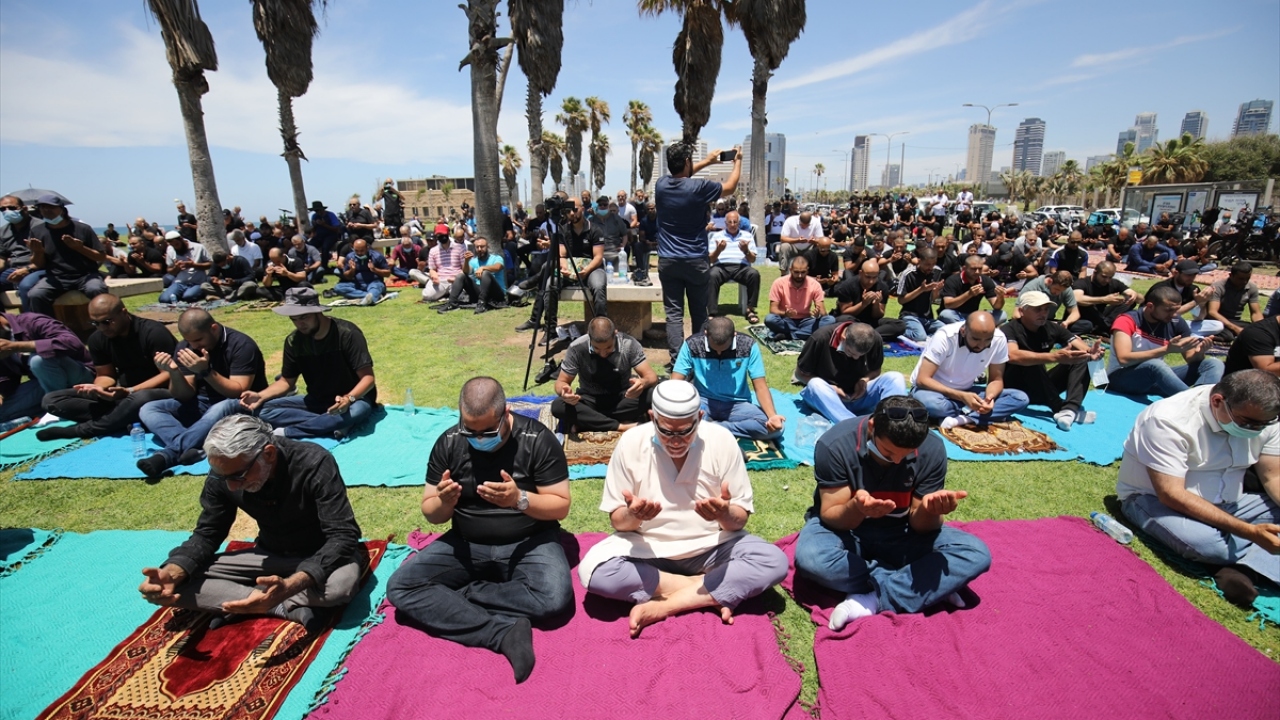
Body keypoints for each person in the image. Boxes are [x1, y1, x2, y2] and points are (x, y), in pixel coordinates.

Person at [386, 377, 573, 684]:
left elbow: (560, 506)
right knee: (401, 587)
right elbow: (431, 513)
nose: (477, 438)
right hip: (466, 543)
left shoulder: (537, 439)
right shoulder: (449, 442)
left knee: (553, 598)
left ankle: (461, 594)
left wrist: (519, 499)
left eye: (486, 431)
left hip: (530, 541)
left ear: (506, 413)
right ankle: (502, 632)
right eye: (469, 431)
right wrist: (444, 502)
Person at [578, 379, 787, 637]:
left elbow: (738, 521)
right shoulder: (631, 442)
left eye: (686, 431)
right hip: (648, 547)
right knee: (594, 572)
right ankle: (707, 589)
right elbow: (619, 523)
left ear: (700, 418)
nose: (676, 441)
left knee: (773, 561)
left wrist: (724, 514)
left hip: (712, 546)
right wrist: (633, 515)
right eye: (667, 431)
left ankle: (667, 604)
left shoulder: (721, 440)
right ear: (652, 418)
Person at [137, 415, 367, 632]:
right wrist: (173, 572)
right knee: (179, 579)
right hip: (269, 553)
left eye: (239, 476)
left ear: (268, 454)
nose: (232, 486)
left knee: (339, 589)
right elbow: (208, 533)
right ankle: (277, 606)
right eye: (225, 478)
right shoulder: (225, 471)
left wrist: (293, 584)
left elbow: (342, 535)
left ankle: (248, 599)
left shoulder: (313, 461)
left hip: (321, 553)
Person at [793, 395, 991, 630]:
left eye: (905, 455)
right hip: (845, 532)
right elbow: (830, 515)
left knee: (975, 554)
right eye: (888, 453)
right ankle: (925, 584)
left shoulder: (932, 448)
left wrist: (930, 511)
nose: (897, 461)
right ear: (872, 427)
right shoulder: (835, 444)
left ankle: (874, 598)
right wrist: (856, 508)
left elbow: (921, 526)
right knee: (812, 560)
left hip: (902, 532)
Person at [1116, 370, 1280, 607]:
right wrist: (1248, 531)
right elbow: (1172, 494)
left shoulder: (1263, 417)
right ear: (1217, 401)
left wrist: (1246, 530)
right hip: (1155, 501)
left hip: (1230, 501)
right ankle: (1248, 559)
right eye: (1247, 423)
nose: (1256, 429)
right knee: (1209, 546)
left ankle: (1243, 569)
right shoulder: (1168, 419)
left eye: (1264, 424)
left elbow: (1273, 475)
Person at [136, 309, 267, 481]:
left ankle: (169, 455)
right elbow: (184, 395)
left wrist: (205, 371)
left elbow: (238, 391)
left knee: (223, 406)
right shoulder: (186, 347)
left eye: (198, 340)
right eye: (189, 341)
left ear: (213, 328)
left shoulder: (241, 345)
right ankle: (193, 447)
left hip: (239, 405)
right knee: (149, 408)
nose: (194, 346)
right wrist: (174, 373)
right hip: (202, 404)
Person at [237, 288, 375, 440]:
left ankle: (290, 432)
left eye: (303, 317)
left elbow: (368, 378)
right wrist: (260, 396)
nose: (299, 324)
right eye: (294, 319)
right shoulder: (294, 341)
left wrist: (348, 399)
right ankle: (333, 423)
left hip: (354, 399)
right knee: (263, 410)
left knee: (358, 411)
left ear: (318, 311)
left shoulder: (347, 333)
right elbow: (286, 382)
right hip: (316, 401)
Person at [38, 295, 177, 440]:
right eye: (95, 323)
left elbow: (169, 373)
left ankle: (82, 430)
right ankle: (123, 419)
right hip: (123, 398)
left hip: (157, 394)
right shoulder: (97, 339)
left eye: (106, 322)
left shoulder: (153, 332)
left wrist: (131, 391)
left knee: (141, 397)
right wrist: (98, 389)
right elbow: (105, 375)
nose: (102, 328)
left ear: (124, 313)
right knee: (51, 399)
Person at [655, 143, 741, 368]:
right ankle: (698, 357)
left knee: (674, 314)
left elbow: (682, 174)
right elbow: (730, 187)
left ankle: (677, 361)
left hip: (668, 260)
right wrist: (738, 161)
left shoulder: (661, 185)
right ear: (687, 162)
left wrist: (708, 161)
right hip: (695, 260)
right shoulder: (699, 187)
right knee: (699, 313)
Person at [1001, 291, 1105, 431]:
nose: (1043, 313)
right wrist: (1054, 357)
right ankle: (1059, 407)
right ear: (1021, 311)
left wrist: (1091, 352)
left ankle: (1069, 410)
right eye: (1037, 309)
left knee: (1082, 358)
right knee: (1032, 360)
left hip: (1040, 386)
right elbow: (1013, 355)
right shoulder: (1009, 329)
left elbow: (1078, 345)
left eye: (1046, 309)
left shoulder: (1051, 327)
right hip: (1012, 389)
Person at [671, 316, 784, 440]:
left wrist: (772, 416)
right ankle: (711, 427)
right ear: (706, 334)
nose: (719, 353)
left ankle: (712, 427)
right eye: (714, 349)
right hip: (703, 402)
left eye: (724, 349)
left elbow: (760, 387)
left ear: (734, 336)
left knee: (776, 429)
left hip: (737, 404)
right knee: (679, 421)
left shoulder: (749, 345)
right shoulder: (692, 344)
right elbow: (674, 383)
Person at [910, 311, 1029, 428]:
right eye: (976, 339)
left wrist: (989, 399)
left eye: (988, 340)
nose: (981, 345)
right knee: (932, 405)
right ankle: (980, 415)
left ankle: (964, 419)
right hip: (933, 391)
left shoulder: (999, 338)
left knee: (1020, 398)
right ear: (963, 331)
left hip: (967, 392)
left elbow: (996, 380)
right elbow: (922, 379)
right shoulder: (945, 336)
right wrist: (962, 397)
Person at [1105, 284, 1225, 398]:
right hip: (1120, 378)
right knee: (1155, 365)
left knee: (1213, 364)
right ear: (1150, 306)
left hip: (1155, 378)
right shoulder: (1127, 320)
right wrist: (1166, 349)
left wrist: (1200, 352)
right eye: (1168, 310)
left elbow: (1191, 359)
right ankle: (1195, 401)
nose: (1173, 315)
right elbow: (1123, 359)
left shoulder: (1176, 322)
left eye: (1176, 310)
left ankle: (1205, 399)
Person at [516, 196, 608, 331]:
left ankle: (602, 329)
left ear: (582, 209)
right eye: (568, 211)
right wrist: (564, 268)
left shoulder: (595, 229)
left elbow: (598, 257)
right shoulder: (563, 230)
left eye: (575, 210)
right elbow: (562, 255)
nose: (572, 213)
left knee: (598, 285)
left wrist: (586, 271)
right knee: (549, 284)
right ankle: (550, 330)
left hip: (591, 269)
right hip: (569, 269)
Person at [551, 317, 658, 433]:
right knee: (558, 406)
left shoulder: (629, 344)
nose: (603, 354)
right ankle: (620, 426)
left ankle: (590, 422)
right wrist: (564, 392)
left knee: (653, 395)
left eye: (608, 347)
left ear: (615, 334)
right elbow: (561, 382)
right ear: (588, 336)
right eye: (596, 348)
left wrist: (643, 383)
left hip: (622, 398)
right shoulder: (576, 348)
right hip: (590, 400)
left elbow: (651, 377)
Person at [796, 320, 908, 425]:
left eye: (861, 355)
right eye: (851, 353)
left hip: (858, 398)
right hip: (826, 399)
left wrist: (864, 380)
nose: (856, 358)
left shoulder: (875, 339)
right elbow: (799, 374)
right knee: (815, 384)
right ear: (843, 338)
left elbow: (876, 369)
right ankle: (855, 426)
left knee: (895, 377)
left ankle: (893, 423)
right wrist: (831, 388)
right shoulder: (820, 338)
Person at [0, 311, 94, 423]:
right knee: (2, 413)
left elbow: (73, 342)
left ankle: (59, 406)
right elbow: (8, 377)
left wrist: (18, 346)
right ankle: (54, 406)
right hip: (45, 383)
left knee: (38, 360)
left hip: (80, 373)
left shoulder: (31, 321)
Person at [26, 194, 109, 316]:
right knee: (35, 295)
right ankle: (47, 326)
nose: (46, 210)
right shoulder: (37, 231)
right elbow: (38, 264)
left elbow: (101, 256)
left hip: (86, 275)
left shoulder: (82, 229)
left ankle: (106, 322)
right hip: (56, 277)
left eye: (51, 207)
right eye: (42, 207)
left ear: (62, 209)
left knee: (96, 289)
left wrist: (80, 248)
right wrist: (38, 252)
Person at [833, 259, 907, 342]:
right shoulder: (847, 286)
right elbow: (845, 312)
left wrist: (876, 304)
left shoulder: (882, 287)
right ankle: (869, 337)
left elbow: (878, 316)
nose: (871, 281)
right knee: (843, 319)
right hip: (852, 320)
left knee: (900, 325)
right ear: (860, 273)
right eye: (868, 277)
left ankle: (866, 336)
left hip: (870, 322)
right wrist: (863, 304)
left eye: (874, 277)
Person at [707, 210, 761, 324]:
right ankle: (712, 312)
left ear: (739, 223)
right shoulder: (717, 236)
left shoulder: (747, 236)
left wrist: (746, 250)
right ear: (725, 223)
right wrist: (718, 250)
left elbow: (752, 259)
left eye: (735, 222)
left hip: (741, 267)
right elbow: (710, 260)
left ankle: (750, 310)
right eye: (730, 222)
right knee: (711, 275)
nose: (732, 224)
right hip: (721, 266)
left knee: (754, 274)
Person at [765, 256, 835, 341]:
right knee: (770, 319)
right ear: (790, 270)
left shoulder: (815, 284)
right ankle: (803, 333)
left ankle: (789, 335)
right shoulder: (779, 283)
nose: (800, 275)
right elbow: (773, 310)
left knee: (830, 320)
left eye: (803, 272)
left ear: (807, 271)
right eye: (796, 272)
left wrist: (818, 314)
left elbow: (823, 313)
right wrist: (785, 313)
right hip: (786, 320)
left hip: (806, 321)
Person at [1149, 260, 1223, 338]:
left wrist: (1202, 302)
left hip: (1179, 324)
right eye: (1188, 275)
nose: (1191, 278)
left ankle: (1186, 335)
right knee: (1197, 338)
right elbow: (1171, 314)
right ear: (1176, 273)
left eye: (1194, 275)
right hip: (1159, 323)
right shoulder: (1162, 288)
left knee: (1218, 325)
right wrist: (1196, 302)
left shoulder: (1193, 289)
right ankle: (1189, 336)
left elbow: (1199, 318)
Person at [0, 195, 46, 311]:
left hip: (39, 268)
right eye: (3, 209)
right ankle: (3, 320)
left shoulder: (41, 227)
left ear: (24, 209)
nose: (7, 211)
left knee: (26, 286)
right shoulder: (3, 231)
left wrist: (27, 269)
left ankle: (31, 321)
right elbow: (2, 258)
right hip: (14, 269)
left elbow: (49, 257)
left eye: (11, 208)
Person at [1072, 260, 1139, 337]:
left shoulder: (1113, 283)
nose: (1107, 280)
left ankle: (1104, 325)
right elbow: (1077, 299)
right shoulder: (1082, 283)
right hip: (1082, 317)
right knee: (1087, 318)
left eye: (1110, 277)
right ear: (1095, 272)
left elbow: (1140, 299)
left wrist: (1134, 295)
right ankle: (1103, 327)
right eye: (1104, 276)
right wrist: (1103, 300)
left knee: (1129, 301)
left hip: (1100, 315)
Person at [441, 236, 506, 314]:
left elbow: (498, 267)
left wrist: (483, 268)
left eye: (482, 247)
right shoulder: (474, 261)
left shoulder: (496, 258)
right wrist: (466, 260)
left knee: (485, 273)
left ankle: (482, 304)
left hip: (496, 293)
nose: (479, 249)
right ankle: (452, 303)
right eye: (477, 247)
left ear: (487, 247)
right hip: (479, 292)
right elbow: (466, 272)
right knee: (461, 276)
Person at [896, 246, 946, 341]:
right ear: (919, 261)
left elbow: (934, 299)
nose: (930, 267)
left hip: (928, 317)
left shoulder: (937, 272)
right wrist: (921, 290)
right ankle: (898, 330)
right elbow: (901, 300)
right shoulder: (908, 274)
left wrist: (936, 291)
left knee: (945, 331)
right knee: (920, 336)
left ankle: (924, 332)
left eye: (933, 264)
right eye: (927, 264)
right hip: (910, 315)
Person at [939, 254, 1006, 325]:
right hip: (956, 314)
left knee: (1002, 314)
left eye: (980, 269)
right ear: (964, 268)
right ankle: (976, 325)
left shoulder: (985, 280)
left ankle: (968, 325)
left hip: (973, 315)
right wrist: (969, 294)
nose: (977, 272)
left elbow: (996, 306)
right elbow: (948, 305)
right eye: (973, 269)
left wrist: (1000, 297)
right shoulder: (953, 280)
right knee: (946, 314)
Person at [1205, 262, 1263, 343]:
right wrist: (1235, 328)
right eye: (1241, 279)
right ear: (1231, 275)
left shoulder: (1251, 288)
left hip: (1235, 321)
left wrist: (1261, 328)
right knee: (1228, 336)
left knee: (1254, 330)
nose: (1245, 282)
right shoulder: (1218, 287)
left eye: (1247, 278)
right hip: (1216, 321)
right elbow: (1212, 312)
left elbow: (1256, 313)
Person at [1018, 270, 1088, 335]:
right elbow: (1016, 314)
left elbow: (1075, 313)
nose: (1058, 293)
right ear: (1049, 281)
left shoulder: (1066, 289)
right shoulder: (1032, 286)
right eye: (1056, 289)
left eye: (1061, 291)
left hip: (1050, 322)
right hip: (1033, 321)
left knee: (1086, 325)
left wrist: (1066, 322)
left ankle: (1053, 333)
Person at [159, 231, 213, 304]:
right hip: (180, 283)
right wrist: (176, 268)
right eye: (173, 246)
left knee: (188, 297)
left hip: (197, 283)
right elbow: (169, 270)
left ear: (181, 239)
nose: (176, 247)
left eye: (177, 244)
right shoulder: (170, 249)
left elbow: (210, 264)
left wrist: (194, 265)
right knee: (164, 299)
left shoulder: (198, 247)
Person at [333, 239, 390, 306]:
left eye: (362, 251)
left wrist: (375, 269)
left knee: (376, 287)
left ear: (367, 248)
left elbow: (388, 273)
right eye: (356, 251)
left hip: (374, 283)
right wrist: (352, 270)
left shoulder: (377, 256)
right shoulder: (350, 257)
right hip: (357, 284)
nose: (359, 253)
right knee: (338, 288)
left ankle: (370, 296)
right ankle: (370, 296)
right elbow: (347, 276)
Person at [423, 229, 466, 302]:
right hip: (441, 281)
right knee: (427, 295)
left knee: (462, 299)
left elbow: (464, 269)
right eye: (439, 235)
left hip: (455, 280)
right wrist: (434, 276)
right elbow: (432, 269)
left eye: (443, 234)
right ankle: (444, 293)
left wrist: (458, 278)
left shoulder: (460, 248)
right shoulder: (433, 250)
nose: (442, 237)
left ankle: (446, 294)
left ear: (448, 234)